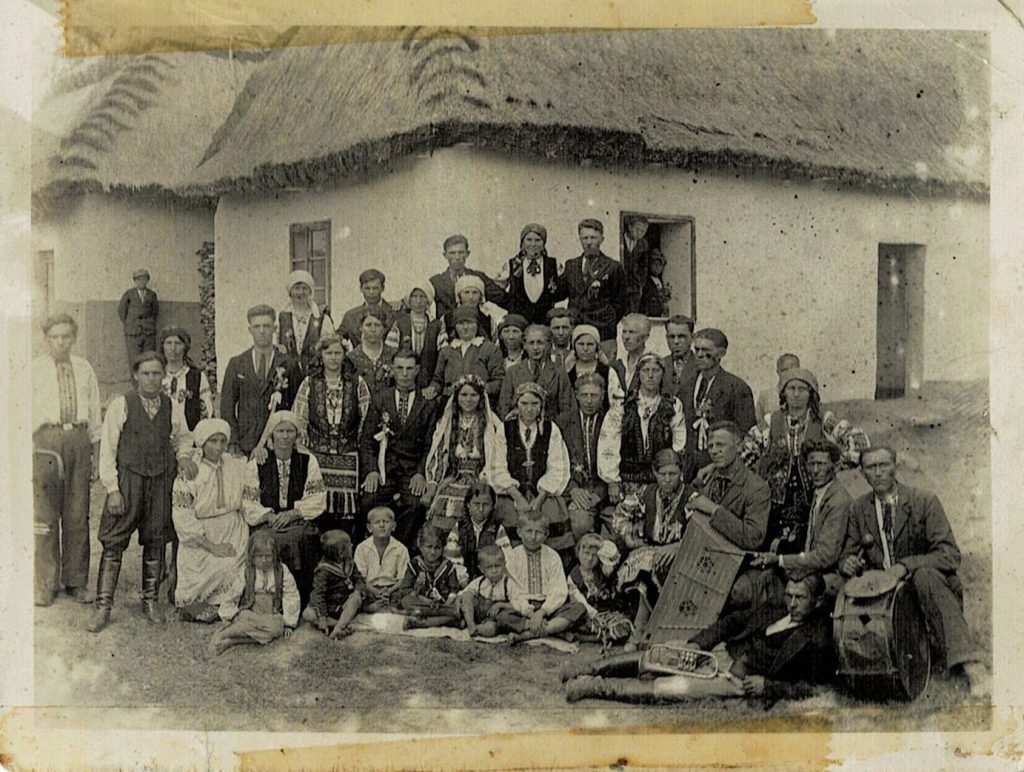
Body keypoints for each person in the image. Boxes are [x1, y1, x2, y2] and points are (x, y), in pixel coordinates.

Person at [839, 447, 990, 699]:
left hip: (929, 588)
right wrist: (848, 562)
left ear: (895, 466)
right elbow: (849, 552)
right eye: (870, 468)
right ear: (862, 473)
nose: (878, 473)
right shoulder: (858, 509)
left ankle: (973, 667)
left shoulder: (923, 501)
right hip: (887, 596)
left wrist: (906, 566)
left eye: (883, 465)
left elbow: (950, 554)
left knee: (925, 576)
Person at [562, 574, 835, 705]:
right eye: (790, 595)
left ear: (818, 600)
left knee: (668, 688)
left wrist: (768, 685)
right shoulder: (777, 608)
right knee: (660, 657)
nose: (792, 603)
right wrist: (698, 644)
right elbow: (732, 622)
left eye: (801, 598)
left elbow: (817, 688)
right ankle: (588, 669)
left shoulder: (818, 638)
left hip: (734, 680)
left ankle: (593, 687)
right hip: (720, 656)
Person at [89, 351, 197, 633]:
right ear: (136, 375)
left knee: (156, 539)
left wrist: (184, 455)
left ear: (164, 376)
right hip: (128, 480)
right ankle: (103, 606)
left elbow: (183, 438)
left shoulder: (171, 406)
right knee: (113, 542)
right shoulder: (121, 405)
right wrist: (112, 489)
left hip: (160, 480)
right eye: (146, 373)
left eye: (157, 373)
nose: (151, 378)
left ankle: (150, 600)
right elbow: (108, 450)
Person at [739, 367, 868, 556]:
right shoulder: (771, 420)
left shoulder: (823, 419)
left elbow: (857, 439)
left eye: (803, 389)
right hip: (777, 498)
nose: (797, 394)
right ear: (783, 392)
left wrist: (839, 463)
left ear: (811, 393)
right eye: (791, 388)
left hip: (812, 495)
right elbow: (748, 449)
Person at [32, 313, 102, 607]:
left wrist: (95, 456)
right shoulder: (34, 369)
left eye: (66, 337)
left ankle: (76, 581)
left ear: (74, 338)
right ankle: (46, 583)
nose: (61, 343)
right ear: (46, 340)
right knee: (45, 516)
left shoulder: (85, 368)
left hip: (78, 440)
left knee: (77, 513)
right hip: (45, 442)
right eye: (55, 337)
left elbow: (95, 413)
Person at [170, 419, 252, 623]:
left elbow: (249, 490)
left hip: (233, 528)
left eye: (222, 441)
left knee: (235, 565)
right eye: (212, 441)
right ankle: (196, 604)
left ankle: (224, 603)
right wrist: (211, 546)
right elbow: (183, 516)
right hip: (201, 534)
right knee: (205, 569)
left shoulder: (236, 464)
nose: (218, 447)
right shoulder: (190, 473)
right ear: (202, 443)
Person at [243, 411, 327, 607]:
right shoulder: (258, 462)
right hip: (267, 522)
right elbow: (248, 501)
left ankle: (301, 599)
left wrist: (293, 513)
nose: (285, 436)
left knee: (301, 538)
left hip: (297, 520)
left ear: (297, 435)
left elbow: (317, 498)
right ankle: (269, 600)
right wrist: (269, 516)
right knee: (265, 541)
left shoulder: (308, 460)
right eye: (280, 431)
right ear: (272, 435)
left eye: (290, 431)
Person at [749, 440, 852, 598]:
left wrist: (779, 560)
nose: (815, 471)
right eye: (811, 464)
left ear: (836, 467)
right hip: (815, 569)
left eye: (821, 464)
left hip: (831, 576)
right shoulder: (821, 493)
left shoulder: (838, 501)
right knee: (766, 579)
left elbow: (825, 557)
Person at [360, 349, 440, 547]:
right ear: (393, 370)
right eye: (400, 368)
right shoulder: (380, 399)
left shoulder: (427, 404)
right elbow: (367, 440)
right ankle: (371, 552)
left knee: (414, 505)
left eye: (409, 368)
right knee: (369, 500)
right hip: (384, 469)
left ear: (417, 370)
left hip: (411, 470)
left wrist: (421, 473)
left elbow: (430, 444)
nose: (404, 373)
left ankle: (401, 552)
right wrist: (371, 471)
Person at [613, 449, 693, 638]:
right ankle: (643, 626)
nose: (667, 479)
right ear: (655, 473)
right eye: (662, 474)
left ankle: (641, 628)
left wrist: (678, 546)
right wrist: (628, 536)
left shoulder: (691, 496)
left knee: (649, 565)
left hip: (680, 552)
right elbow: (620, 515)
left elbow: (699, 532)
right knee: (643, 563)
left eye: (672, 474)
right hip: (650, 548)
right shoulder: (646, 492)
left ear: (680, 473)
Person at [489, 382, 574, 557]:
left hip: (543, 494)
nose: (529, 409)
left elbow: (557, 466)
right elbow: (498, 466)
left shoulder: (551, 430)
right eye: (524, 404)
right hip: (511, 493)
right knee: (510, 526)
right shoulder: (505, 429)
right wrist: (518, 497)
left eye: (534, 404)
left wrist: (540, 499)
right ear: (517, 404)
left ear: (541, 405)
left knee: (547, 523)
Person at [292, 335, 363, 538]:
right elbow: (299, 418)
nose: (333, 358)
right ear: (321, 356)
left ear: (344, 355)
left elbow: (366, 419)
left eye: (337, 353)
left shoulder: (357, 383)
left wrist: (355, 443)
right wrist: (304, 449)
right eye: (328, 353)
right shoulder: (309, 383)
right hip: (317, 455)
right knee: (318, 509)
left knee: (344, 515)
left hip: (347, 455)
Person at [598, 353, 688, 505]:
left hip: (660, 481)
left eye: (656, 370)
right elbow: (609, 442)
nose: (651, 376)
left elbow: (679, 444)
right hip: (627, 481)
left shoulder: (672, 405)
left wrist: (671, 479)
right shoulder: (623, 405)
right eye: (646, 370)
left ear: (662, 374)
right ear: (638, 374)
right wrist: (612, 481)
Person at [422, 375, 504, 531]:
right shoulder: (447, 423)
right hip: (454, 475)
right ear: (456, 397)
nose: (468, 399)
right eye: (464, 395)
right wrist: (432, 487)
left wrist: (485, 479)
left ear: (481, 398)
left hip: (482, 477)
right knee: (443, 505)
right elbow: (439, 456)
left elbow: (496, 456)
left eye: (473, 395)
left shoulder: (491, 423)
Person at [220, 304, 302, 457]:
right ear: (250, 329)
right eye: (257, 326)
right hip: (245, 445)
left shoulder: (288, 364)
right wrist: (233, 442)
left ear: (275, 328)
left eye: (267, 326)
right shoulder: (237, 363)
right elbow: (227, 406)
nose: (262, 331)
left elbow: (295, 406)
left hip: (278, 446)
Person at [678, 421, 771, 553]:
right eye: (710, 446)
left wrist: (714, 509)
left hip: (736, 564)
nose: (714, 451)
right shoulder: (705, 479)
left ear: (739, 446)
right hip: (700, 557)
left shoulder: (756, 488)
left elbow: (753, 538)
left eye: (720, 445)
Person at [209, 529, 300, 655]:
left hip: (270, 614)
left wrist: (289, 622)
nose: (264, 560)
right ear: (252, 557)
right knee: (245, 619)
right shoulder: (246, 571)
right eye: (259, 556)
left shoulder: (281, 570)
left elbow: (291, 595)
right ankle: (232, 632)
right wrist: (228, 614)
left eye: (268, 556)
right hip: (250, 612)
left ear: (274, 555)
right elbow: (233, 593)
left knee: (276, 628)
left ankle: (232, 638)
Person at [502, 510, 587, 643]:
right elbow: (514, 591)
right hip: (524, 609)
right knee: (503, 615)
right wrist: (530, 614)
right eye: (528, 531)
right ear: (519, 532)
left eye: (538, 532)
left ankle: (528, 634)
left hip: (549, 608)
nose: (533, 537)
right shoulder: (513, 556)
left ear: (546, 534)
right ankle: (553, 629)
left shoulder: (553, 556)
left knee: (578, 608)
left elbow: (559, 590)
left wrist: (542, 612)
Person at [680, 328, 756, 473]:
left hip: (722, 468)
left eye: (706, 350)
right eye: (697, 350)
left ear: (721, 353)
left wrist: (715, 465)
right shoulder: (687, 386)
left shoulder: (737, 388)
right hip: (689, 469)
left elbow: (746, 436)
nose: (700, 355)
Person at [559, 373, 609, 541]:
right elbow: (557, 462)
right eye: (584, 395)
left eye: (594, 395)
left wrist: (599, 493)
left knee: (618, 531)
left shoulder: (611, 421)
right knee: (580, 523)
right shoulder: (563, 422)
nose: (589, 401)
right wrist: (572, 489)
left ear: (602, 396)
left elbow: (618, 461)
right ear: (576, 395)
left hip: (605, 491)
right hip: (576, 489)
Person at [559, 219, 627, 342]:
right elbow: (560, 293)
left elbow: (621, 302)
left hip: (603, 331)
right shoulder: (571, 265)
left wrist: (608, 320)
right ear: (580, 239)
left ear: (602, 239)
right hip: (577, 329)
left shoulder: (613, 267)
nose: (589, 242)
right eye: (585, 238)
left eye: (593, 238)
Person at [497, 324, 577, 422]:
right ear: (525, 345)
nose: (535, 348)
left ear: (548, 345)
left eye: (540, 343)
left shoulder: (559, 372)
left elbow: (567, 409)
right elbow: (504, 407)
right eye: (531, 343)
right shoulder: (513, 372)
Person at [566, 533, 635, 647]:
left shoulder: (601, 571)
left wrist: (601, 548)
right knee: (585, 625)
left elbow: (613, 555)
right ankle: (588, 636)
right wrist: (594, 615)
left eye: (594, 556)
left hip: (606, 612)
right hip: (588, 614)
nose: (589, 559)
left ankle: (601, 635)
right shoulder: (573, 576)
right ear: (578, 552)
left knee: (624, 624)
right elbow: (578, 599)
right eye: (586, 553)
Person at [428, 306, 505, 400]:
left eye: (469, 322)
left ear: (477, 324)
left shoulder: (490, 349)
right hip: (450, 400)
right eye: (460, 323)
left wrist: (479, 389)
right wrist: (433, 388)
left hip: (480, 400)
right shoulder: (446, 350)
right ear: (455, 326)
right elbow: (438, 379)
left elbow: (499, 380)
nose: (465, 327)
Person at [300, 530, 365, 639]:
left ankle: (339, 627)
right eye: (349, 544)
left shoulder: (349, 563)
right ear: (340, 553)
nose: (352, 545)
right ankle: (341, 624)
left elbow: (359, 580)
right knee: (307, 614)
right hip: (328, 608)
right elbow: (317, 594)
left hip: (345, 604)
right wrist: (322, 617)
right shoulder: (323, 571)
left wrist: (357, 591)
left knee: (356, 600)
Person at [396, 525, 464, 628]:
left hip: (443, 604)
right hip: (422, 603)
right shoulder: (414, 564)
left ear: (442, 548)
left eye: (437, 548)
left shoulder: (448, 566)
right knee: (406, 601)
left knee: (458, 608)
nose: (433, 552)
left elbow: (454, 590)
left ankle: (420, 622)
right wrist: (425, 600)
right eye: (429, 547)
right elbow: (405, 589)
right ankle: (446, 618)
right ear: (420, 546)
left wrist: (446, 604)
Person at [447, 480, 513, 581]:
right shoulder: (459, 527)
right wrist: (462, 578)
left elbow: (507, 557)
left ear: (492, 506)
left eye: (486, 504)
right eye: (476, 504)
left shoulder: (497, 529)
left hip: (490, 578)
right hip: (462, 579)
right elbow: (452, 555)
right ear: (468, 504)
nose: (481, 509)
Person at [429, 234, 505, 321]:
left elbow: (503, 299)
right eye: (452, 253)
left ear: (467, 254)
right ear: (445, 255)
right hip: (447, 330)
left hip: (474, 327)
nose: (457, 257)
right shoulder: (436, 282)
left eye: (461, 252)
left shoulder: (479, 278)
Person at [500, 223, 564, 324]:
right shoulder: (512, 265)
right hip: (519, 322)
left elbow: (563, 290)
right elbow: (498, 287)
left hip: (545, 322)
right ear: (522, 243)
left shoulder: (554, 265)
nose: (533, 244)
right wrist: (511, 304)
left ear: (544, 243)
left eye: (537, 240)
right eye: (529, 240)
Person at [277, 270, 336, 378]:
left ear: (310, 291)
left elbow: (331, 347)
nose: (300, 292)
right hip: (288, 376)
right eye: (296, 288)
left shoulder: (321, 318)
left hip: (315, 374)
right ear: (290, 292)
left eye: (304, 288)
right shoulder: (282, 317)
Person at [385, 281, 442, 391]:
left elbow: (443, 355)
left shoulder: (437, 325)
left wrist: (435, 383)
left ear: (428, 300)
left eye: (422, 297)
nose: (418, 301)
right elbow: (390, 351)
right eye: (415, 296)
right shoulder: (399, 323)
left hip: (428, 381)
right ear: (409, 300)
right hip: (403, 380)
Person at [353, 506, 411, 612]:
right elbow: (360, 578)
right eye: (377, 522)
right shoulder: (362, 548)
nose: (381, 525)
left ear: (393, 526)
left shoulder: (401, 549)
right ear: (369, 527)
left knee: (406, 596)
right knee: (356, 595)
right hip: (370, 588)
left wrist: (388, 591)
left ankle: (384, 606)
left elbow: (403, 578)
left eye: (386, 522)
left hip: (393, 588)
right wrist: (375, 592)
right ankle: (372, 607)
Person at [159, 326, 213, 430]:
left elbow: (207, 412)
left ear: (185, 347)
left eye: (178, 343)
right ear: (163, 346)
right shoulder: (156, 375)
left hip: (190, 438)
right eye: (169, 343)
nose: (173, 348)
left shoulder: (197, 377)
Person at [459, 544, 514, 638]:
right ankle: (470, 624)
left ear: (504, 565)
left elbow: (518, 604)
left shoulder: (508, 583)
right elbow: (466, 591)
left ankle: (477, 629)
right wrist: (459, 598)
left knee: (490, 629)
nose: (494, 571)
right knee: (467, 595)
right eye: (489, 567)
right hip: (479, 614)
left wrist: (501, 605)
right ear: (482, 569)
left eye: (497, 566)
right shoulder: (480, 581)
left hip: (494, 619)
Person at [345, 311, 396, 401]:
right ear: (361, 328)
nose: (373, 329)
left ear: (384, 329)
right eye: (368, 325)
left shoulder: (394, 355)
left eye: (377, 325)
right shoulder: (351, 357)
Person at [338, 269, 396, 347]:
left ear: (383, 288)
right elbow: (338, 339)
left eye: (375, 288)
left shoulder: (394, 312)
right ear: (361, 289)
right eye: (367, 288)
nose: (371, 292)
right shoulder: (351, 316)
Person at [117, 268, 159, 370]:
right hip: (133, 332)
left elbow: (155, 312)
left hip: (148, 332)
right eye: (139, 279)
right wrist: (130, 324)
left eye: (144, 279)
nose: (141, 282)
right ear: (135, 281)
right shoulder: (129, 294)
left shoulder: (152, 295)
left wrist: (149, 323)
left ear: (147, 281)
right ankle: (136, 385)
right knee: (134, 359)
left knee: (149, 359)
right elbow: (121, 311)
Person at [608, 313, 653, 404]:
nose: (626, 337)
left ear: (645, 337)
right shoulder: (617, 364)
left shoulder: (653, 363)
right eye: (624, 332)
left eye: (632, 332)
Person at [440, 274, 498, 343]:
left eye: (475, 293)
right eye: (466, 292)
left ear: (481, 296)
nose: (470, 297)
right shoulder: (447, 319)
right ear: (459, 295)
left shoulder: (488, 320)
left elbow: (495, 345)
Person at [565, 324, 611, 404]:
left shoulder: (606, 371)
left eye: (590, 344)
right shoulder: (567, 371)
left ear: (597, 347)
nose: (585, 349)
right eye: (581, 344)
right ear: (574, 346)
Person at [755, 353, 800, 427]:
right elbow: (758, 423)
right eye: (785, 370)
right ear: (778, 372)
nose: (790, 373)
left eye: (794, 369)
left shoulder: (805, 395)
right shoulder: (766, 396)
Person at [662, 314, 697, 404]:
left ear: (692, 338)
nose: (676, 342)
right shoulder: (660, 364)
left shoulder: (701, 365)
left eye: (681, 336)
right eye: (672, 337)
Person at [621, 215, 650, 314]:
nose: (640, 233)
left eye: (643, 231)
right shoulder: (619, 240)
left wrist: (640, 284)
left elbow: (644, 266)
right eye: (638, 229)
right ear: (630, 227)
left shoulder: (643, 244)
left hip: (634, 286)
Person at [637, 248, 671, 317]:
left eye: (659, 265)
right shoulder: (646, 282)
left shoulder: (660, 281)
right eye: (654, 264)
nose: (657, 267)